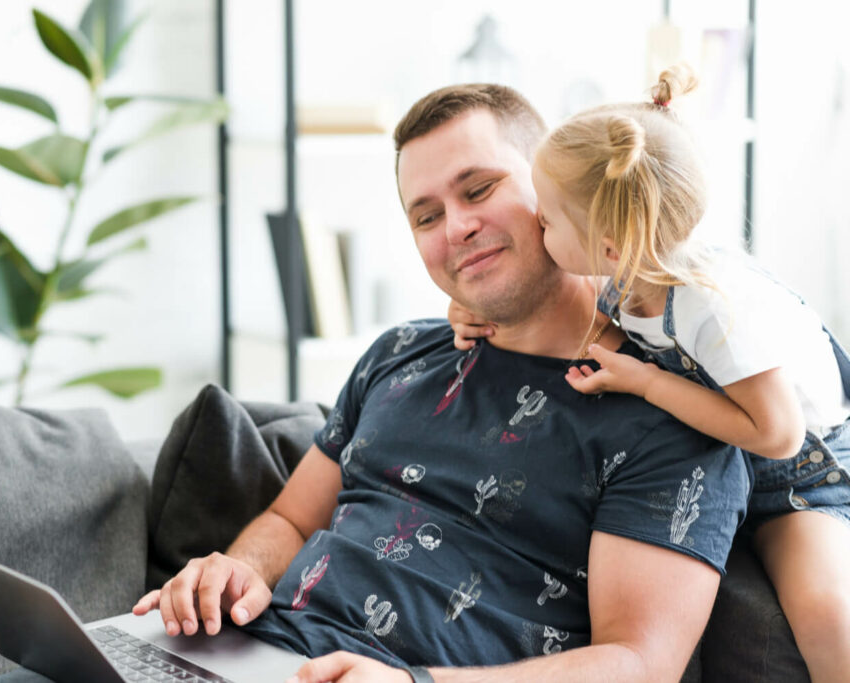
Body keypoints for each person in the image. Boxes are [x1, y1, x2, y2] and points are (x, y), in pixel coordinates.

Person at [133, 82, 751, 682]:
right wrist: (239, 569)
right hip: (253, 655)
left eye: (478, 189)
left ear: (551, 187)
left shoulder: (670, 416)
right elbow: (291, 520)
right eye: (426, 216)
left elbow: (639, 664)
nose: (456, 228)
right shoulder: (398, 353)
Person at [449, 66, 850, 681]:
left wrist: (647, 383)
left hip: (804, 472)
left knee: (828, 615)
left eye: (548, 220)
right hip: (738, 456)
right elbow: (558, 312)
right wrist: (473, 312)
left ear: (609, 247)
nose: (536, 226)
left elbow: (779, 435)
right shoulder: (626, 270)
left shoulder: (711, 306)